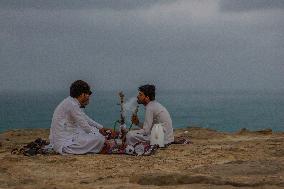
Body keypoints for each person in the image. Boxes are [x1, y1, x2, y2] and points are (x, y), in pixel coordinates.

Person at [49, 80, 106, 155]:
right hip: (65, 144)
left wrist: (100, 128)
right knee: (99, 139)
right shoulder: (72, 105)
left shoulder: (70, 102)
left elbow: (84, 118)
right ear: (82, 94)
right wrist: (101, 136)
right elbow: (85, 126)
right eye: (88, 94)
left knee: (96, 131)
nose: (89, 96)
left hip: (64, 138)